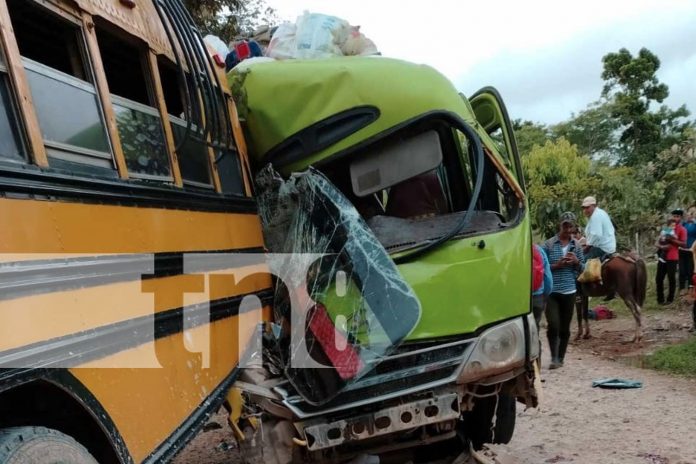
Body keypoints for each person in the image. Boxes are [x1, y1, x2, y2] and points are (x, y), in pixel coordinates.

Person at [543, 212, 585, 370]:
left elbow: (584, 269)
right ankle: (553, 357)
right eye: (565, 225)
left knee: (565, 327)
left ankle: (560, 357)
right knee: (553, 324)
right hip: (552, 291)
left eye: (570, 226)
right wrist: (557, 265)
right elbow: (542, 267)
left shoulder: (577, 246)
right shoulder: (548, 245)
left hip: (569, 290)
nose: (568, 229)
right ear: (560, 225)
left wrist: (576, 262)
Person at [655, 211, 686, 305]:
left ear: (680, 218)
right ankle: (660, 299)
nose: (675, 218)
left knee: (671, 278)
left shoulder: (682, 229)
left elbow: (683, 244)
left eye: (677, 216)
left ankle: (670, 299)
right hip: (663, 256)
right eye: (674, 216)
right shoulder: (666, 228)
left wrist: (672, 240)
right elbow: (660, 240)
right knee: (659, 278)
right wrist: (660, 245)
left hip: (672, 257)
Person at [580, 196, 616, 260]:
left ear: (594, 206)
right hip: (609, 247)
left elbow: (596, 235)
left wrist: (586, 248)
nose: (585, 210)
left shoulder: (595, 216)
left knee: (581, 261)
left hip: (602, 248)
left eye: (587, 207)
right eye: (584, 208)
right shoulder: (601, 212)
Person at [678, 208, 696, 291]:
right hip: (682, 250)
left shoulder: (695, 225)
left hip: (691, 251)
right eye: (687, 214)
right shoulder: (683, 224)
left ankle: (690, 287)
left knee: (690, 270)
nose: (688, 215)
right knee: (682, 270)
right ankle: (681, 288)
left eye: (690, 214)